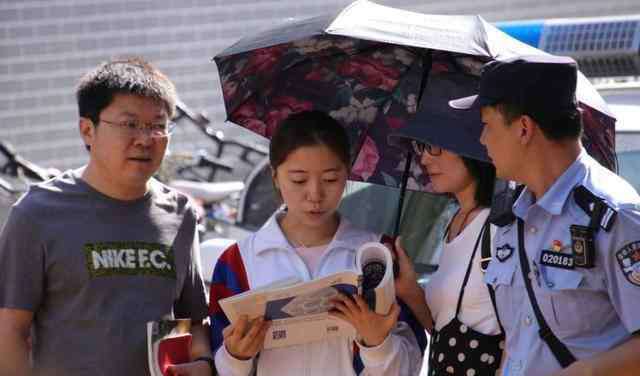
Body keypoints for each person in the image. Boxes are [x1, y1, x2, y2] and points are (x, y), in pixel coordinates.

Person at [0, 57, 213, 376]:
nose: (145, 138)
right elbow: (11, 331)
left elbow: (193, 321)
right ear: (88, 130)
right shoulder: (38, 213)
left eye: (157, 125)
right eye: (130, 124)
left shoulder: (179, 214)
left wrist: (203, 365)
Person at [448, 54, 640, 376]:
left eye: (487, 125)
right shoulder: (511, 216)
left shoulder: (614, 215)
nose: (482, 140)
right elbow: (521, 340)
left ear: (524, 128)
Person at [209, 110, 424, 376]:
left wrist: (377, 343)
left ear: (348, 173)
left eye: (330, 179)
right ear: (275, 176)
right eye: (298, 180)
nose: (315, 194)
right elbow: (217, 360)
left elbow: (411, 366)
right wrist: (236, 357)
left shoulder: (378, 256)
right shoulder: (237, 262)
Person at [389, 73, 505, 376]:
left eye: (436, 146)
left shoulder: (500, 227)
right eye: (421, 146)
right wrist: (410, 288)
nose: (425, 159)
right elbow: (444, 333)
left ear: (472, 148)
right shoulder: (454, 222)